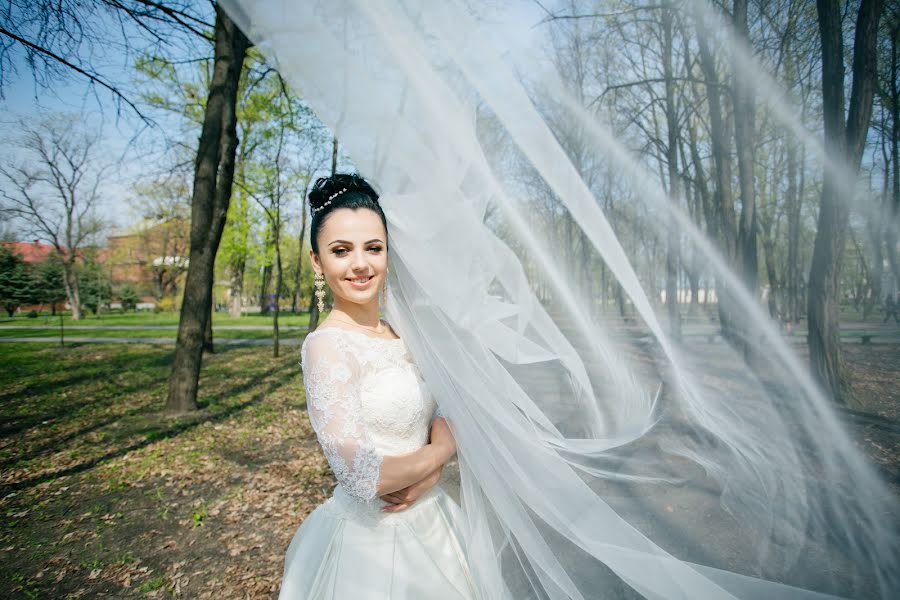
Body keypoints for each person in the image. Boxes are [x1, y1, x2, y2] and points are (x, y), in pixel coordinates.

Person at [279, 173, 478, 599]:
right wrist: (441, 452)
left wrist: (431, 471)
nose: (360, 264)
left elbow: (445, 413)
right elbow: (363, 476)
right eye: (340, 251)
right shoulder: (326, 348)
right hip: (370, 547)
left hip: (436, 520)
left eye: (373, 247)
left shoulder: (401, 333)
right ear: (317, 261)